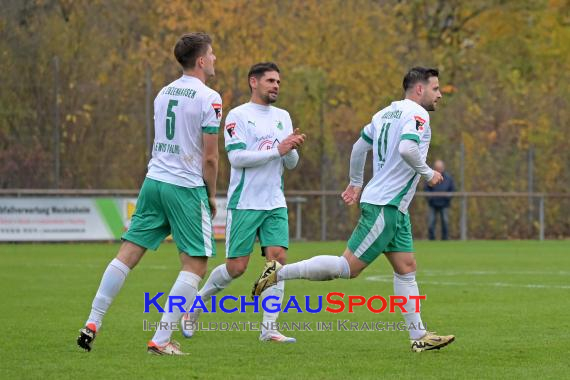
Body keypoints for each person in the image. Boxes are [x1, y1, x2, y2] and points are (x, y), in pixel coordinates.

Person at [252, 67, 455, 352]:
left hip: (394, 207)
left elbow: (360, 147)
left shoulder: (385, 113)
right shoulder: (418, 115)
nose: (440, 94)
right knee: (347, 268)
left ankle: (418, 336)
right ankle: (277, 273)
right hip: (386, 205)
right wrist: (427, 173)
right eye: (436, 88)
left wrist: (356, 183)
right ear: (419, 89)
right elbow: (408, 149)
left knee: (406, 268)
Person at [76, 32, 222, 355]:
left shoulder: (162, 93)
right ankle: (161, 338)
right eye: (211, 55)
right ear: (200, 60)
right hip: (185, 187)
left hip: (153, 182)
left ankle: (92, 321)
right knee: (196, 264)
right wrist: (210, 196)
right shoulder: (210, 97)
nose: (213, 60)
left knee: (127, 254)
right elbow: (210, 157)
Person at [181, 62, 305, 343]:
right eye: (270, 81)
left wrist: (291, 148)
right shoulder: (238, 115)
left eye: (278, 82)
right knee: (236, 268)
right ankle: (195, 305)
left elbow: (291, 164)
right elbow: (237, 158)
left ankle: (268, 329)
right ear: (254, 82)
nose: (276, 86)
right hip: (246, 202)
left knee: (278, 261)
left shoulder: (283, 116)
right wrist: (278, 149)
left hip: (275, 201)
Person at [425, 159, 455, 240]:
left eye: (440, 168)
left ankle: (445, 239)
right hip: (433, 204)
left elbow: (452, 189)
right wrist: (430, 198)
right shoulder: (430, 176)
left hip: (444, 204)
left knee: (445, 222)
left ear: (443, 168)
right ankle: (431, 239)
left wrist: (447, 198)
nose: (439, 169)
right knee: (431, 222)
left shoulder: (449, 178)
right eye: (437, 168)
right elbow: (427, 189)